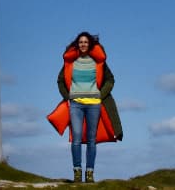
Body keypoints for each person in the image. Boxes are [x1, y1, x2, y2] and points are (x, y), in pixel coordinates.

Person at [46, 32, 123, 183]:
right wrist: (67, 96)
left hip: (94, 104)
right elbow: (60, 81)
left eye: (86, 42)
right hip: (75, 104)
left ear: (90, 44)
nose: (83, 44)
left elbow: (110, 79)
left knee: (91, 140)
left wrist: (101, 95)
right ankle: (77, 172)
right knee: (76, 138)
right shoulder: (71, 62)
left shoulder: (98, 62)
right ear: (77, 44)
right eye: (80, 42)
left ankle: (89, 173)